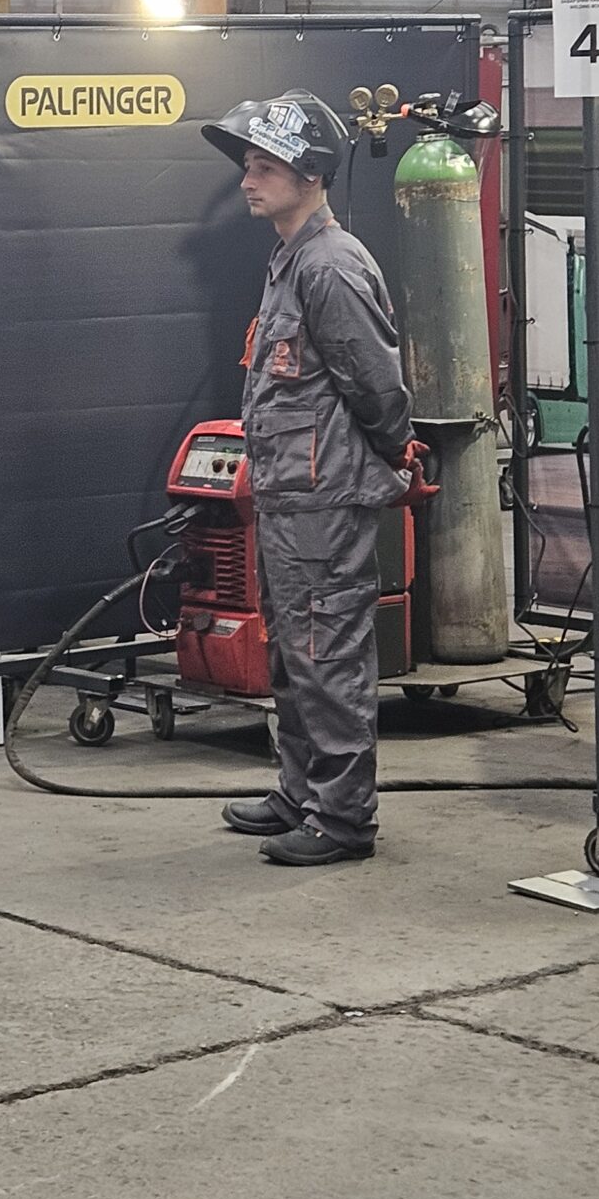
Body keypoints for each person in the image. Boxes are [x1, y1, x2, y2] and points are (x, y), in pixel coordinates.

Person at [201, 90, 419, 865]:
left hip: (324, 501)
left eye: (265, 167)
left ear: (312, 174)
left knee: (328, 654)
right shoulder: (291, 259)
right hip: (292, 496)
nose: (247, 181)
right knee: (296, 655)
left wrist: (393, 449)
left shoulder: (330, 266)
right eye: (248, 166)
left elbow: (376, 384)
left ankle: (343, 817)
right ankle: (301, 793)